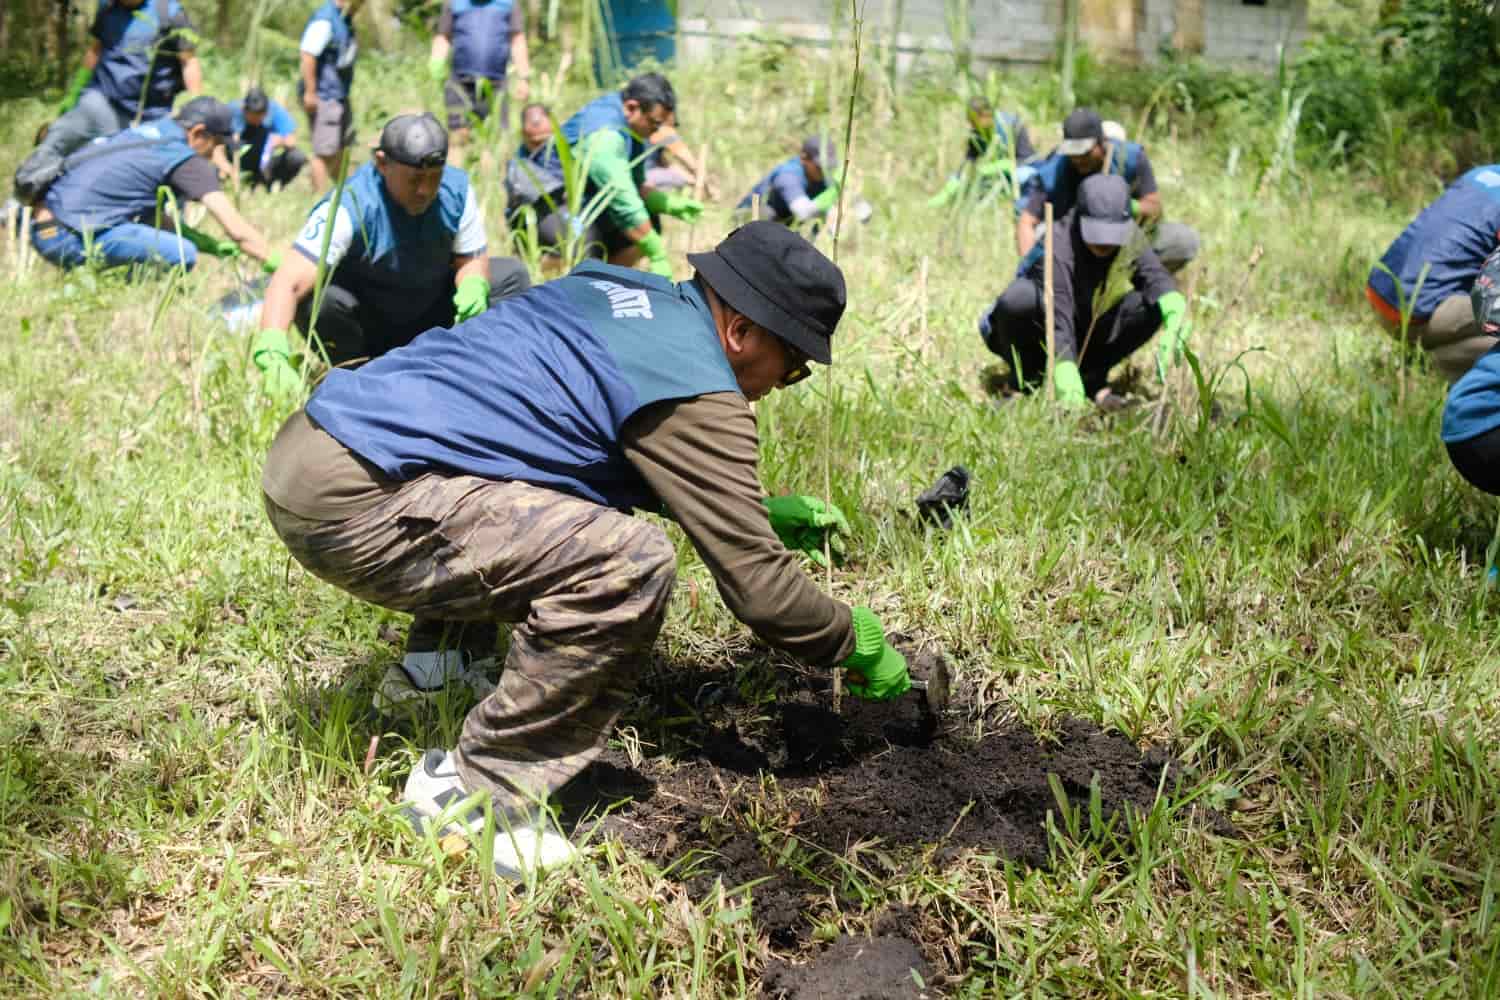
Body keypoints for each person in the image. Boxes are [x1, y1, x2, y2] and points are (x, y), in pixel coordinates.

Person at [259, 220, 912, 878]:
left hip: (320, 447)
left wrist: (755, 512)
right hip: (356, 507)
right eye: (791, 367)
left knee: (545, 485)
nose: (781, 384)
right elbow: (767, 598)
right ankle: (479, 793)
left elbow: (545, 427)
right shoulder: (697, 386)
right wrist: (854, 642)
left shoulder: (616, 291)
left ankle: (441, 667)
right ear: (741, 332)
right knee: (627, 561)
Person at [256, 112, 531, 383]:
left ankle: (478, 369)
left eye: (434, 177)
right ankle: (360, 377)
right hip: (370, 326)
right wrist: (272, 349)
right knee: (316, 302)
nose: (425, 190)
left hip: (431, 315)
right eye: (414, 179)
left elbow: (471, 258)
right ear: (382, 163)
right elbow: (288, 281)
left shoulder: (456, 190)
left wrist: (473, 283)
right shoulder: (349, 206)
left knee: (510, 276)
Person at [979, 174, 1190, 409]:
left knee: (1153, 304)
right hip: (1042, 328)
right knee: (1019, 299)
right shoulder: (1058, 242)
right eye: (1097, 233)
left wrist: (1174, 310)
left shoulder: (1129, 232)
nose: (1104, 243)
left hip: (1086, 323)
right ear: (1080, 217)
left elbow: (1155, 277)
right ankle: (1027, 381)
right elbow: (1059, 317)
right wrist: (1064, 368)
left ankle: (1091, 378)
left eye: (1112, 235)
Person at [28, 97, 272, 275]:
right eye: (216, 144)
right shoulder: (184, 158)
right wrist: (278, 265)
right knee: (182, 254)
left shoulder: (148, 132)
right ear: (198, 133)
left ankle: (101, 288)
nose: (213, 154)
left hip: (44, 229)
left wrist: (207, 243)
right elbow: (237, 229)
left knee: (173, 246)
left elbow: (151, 219)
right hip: (68, 237)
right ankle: (118, 301)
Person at [13, 0, 203, 202]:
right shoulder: (108, 7)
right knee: (60, 136)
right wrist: (76, 91)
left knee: (128, 170)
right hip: (103, 98)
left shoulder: (168, 12)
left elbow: (188, 61)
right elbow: (96, 49)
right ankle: (21, 199)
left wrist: (196, 104)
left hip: (149, 114)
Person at [542, 72, 701, 275]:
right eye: (654, 123)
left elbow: (634, 184)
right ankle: (556, 273)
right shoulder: (606, 136)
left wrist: (666, 203)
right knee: (584, 246)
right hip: (550, 202)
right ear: (632, 107)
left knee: (649, 222)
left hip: (587, 199)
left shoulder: (630, 123)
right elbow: (622, 199)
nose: (657, 131)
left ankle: (609, 279)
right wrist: (657, 253)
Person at [1017, 107, 1200, 272]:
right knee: (1043, 235)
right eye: (1073, 154)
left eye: (1085, 152)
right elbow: (1027, 222)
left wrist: (1126, 207)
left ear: (1102, 142)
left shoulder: (1130, 158)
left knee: (1182, 241)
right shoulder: (1056, 169)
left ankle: (1139, 281)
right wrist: (1030, 270)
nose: (1078, 159)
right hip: (1075, 247)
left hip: (1124, 241)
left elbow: (1154, 208)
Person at [1367, 165, 1500, 383]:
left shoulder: (1482, 173)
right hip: (1422, 310)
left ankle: (1426, 360)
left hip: (1381, 293)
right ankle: (1436, 367)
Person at [428, 0, 531, 165]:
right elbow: (443, 36)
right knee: (458, 135)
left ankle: (490, 178)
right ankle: (456, 176)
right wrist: (436, 61)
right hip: (460, 82)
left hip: (496, 84)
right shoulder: (454, 3)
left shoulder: (508, 4)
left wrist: (523, 77)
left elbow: (517, 40)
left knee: (495, 137)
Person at [928, 95, 1035, 208]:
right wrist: (947, 190)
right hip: (997, 177)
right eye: (970, 121)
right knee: (972, 185)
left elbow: (1028, 159)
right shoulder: (977, 133)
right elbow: (968, 163)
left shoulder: (1012, 124)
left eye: (973, 121)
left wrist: (1001, 166)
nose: (971, 125)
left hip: (1021, 171)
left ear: (986, 115)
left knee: (1024, 175)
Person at [299, 0, 361, 192]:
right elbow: (308, 55)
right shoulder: (325, 20)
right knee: (324, 152)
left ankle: (343, 193)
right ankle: (319, 197)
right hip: (324, 96)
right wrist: (310, 92)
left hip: (339, 95)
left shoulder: (344, 19)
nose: (362, 5)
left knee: (341, 149)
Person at [735, 137, 840, 228]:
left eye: (829, 167)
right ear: (804, 158)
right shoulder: (788, 175)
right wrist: (828, 207)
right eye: (819, 167)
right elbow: (802, 211)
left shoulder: (822, 178)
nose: (825, 171)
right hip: (748, 222)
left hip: (782, 223)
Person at [504, 103, 566, 244]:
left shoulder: (568, 149)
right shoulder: (519, 165)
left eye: (546, 142)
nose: (543, 149)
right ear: (523, 134)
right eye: (536, 143)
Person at [231, 86, 308, 191]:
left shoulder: (274, 110)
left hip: (265, 159)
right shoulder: (233, 110)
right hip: (241, 157)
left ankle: (275, 184)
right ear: (245, 110)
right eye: (253, 116)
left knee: (296, 157)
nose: (256, 120)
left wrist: (279, 140)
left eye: (259, 117)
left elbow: (291, 141)